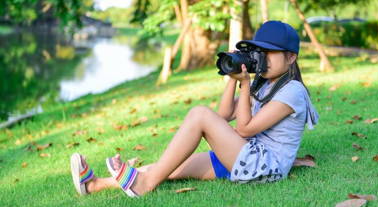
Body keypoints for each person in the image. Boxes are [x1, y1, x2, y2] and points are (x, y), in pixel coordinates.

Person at [70, 20, 319, 197]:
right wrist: (233, 78)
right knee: (172, 166)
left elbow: (243, 129)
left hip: (265, 167)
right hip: (247, 155)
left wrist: (245, 86)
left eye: (270, 53)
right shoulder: (263, 84)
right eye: (259, 52)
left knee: (199, 113)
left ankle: (144, 185)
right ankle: (94, 185)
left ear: (291, 57)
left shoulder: (293, 91)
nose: (262, 58)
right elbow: (223, 116)